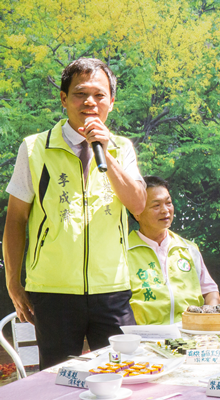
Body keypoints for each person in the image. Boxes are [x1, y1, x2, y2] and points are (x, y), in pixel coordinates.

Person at [3, 58, 147, 369]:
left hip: (112, 288)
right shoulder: (34, 148)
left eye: (100, 95)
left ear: (112, 101)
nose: (90, 102)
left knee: (125, 373)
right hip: (52, 290)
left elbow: (138, 205)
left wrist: (105, 151)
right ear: (64, 98)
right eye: (81, 94)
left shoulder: (121, 149)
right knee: (57, 379)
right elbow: (15, 219)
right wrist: (13, 281)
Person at [128, 176, 220, 325]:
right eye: (156, 205)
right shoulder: (124, 253)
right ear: (137, 212)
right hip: (147, 339)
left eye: (168, 203)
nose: (165, 210)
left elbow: (210, 291)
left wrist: (207, 321)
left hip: (191, 334)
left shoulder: (189, 249)